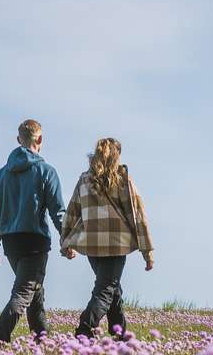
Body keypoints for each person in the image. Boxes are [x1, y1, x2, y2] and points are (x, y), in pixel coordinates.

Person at [60, 137, 155, 339]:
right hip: (116, 244)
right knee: (105, 289)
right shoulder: (123, 180)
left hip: (92, 245)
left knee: (113, 289)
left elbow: (72, 212)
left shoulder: (84, 180)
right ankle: (84, 330)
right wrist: (147, 251)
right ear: (116, 155)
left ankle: (119, 334)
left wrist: (65, 241)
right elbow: (138, 215)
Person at [0, 119, 66, 344]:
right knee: (23, 293)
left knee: (35, 294)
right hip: (34, 241)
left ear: (19, 140)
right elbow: (58, 211)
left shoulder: (3, 173)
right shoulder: (46, 171)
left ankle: (43, 340)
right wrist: (67, 239)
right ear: (39, 139)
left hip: (11, 242)